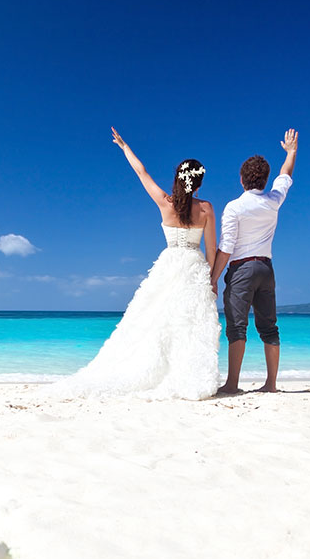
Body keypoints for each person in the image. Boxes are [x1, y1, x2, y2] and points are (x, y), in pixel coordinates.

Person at [51, 128, 221, 400]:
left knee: (155, 321)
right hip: (193, 267)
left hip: (169, 264)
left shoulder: (165, 203)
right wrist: (211, 279)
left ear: (177, 180)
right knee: (187, 324)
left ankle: (159, 371)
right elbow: (212, 249)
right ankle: (183, 374)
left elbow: (142, 172)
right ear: (198, 184)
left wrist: (124, 146)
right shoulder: (206, 209)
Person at [214, 129, 298, 393]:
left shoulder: (234, 207)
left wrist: (213, 278)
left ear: (241, 179)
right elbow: (285, 177)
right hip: (266, 268)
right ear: (264, 180)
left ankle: (232, 384)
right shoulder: (273, 201)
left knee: (237, 327)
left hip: (242, 269)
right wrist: (292, 152)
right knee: (269, 326)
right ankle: (271, 384)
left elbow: (226, 247)